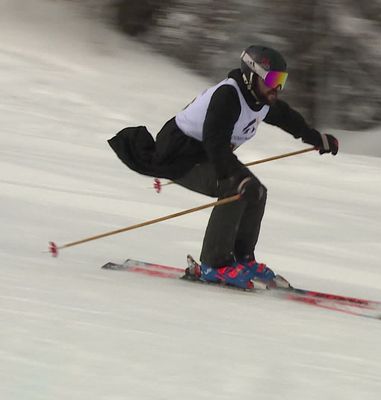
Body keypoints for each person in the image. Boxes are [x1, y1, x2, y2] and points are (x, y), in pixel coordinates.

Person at [108, 45, 338, 289]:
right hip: (180, 155)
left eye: (281, 80)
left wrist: (316, 138)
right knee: (236, 189)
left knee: (257, 192)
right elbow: (215, 144)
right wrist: (238, 177)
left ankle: (243, 259)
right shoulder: (228, 97)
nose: (277, 87)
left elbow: (287, 117)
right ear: (252, 75)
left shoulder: (260, 98)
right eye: (272, 79)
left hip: (206, 154)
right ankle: (214, 265)